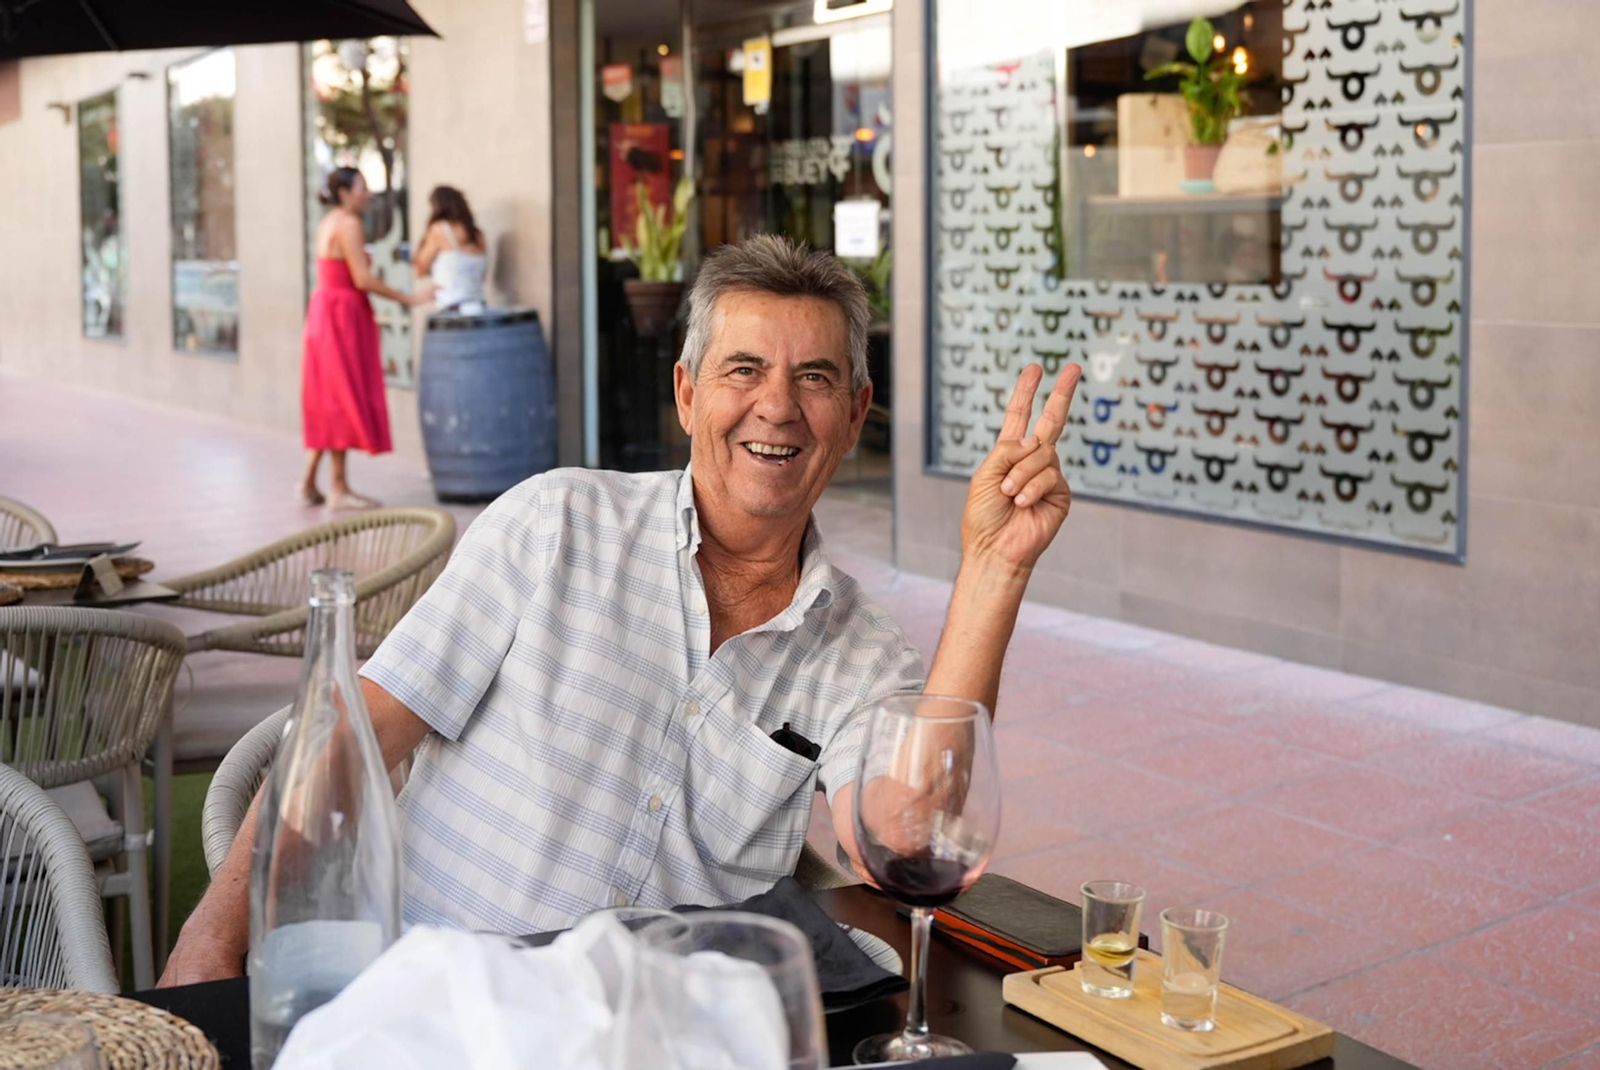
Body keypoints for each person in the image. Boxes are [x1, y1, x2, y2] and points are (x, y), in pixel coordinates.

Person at [160, 235, 1080, 985]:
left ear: (854, 412)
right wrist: (212, 936)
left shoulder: (860, 653)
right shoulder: (554, 521)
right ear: (687, 394)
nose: (777, 407)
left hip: (663, 1033)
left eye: (815, 378)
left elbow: (908, 843)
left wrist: (992, 571)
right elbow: (351, 738)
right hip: (438, 996)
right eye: (744, 369)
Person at [299, 167, 433, 510]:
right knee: (340, 396)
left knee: (329, 396)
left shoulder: (329, 221)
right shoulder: (350, 224)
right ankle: (338, 488)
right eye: (362, 188)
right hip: (343, 317)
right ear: (345, 193)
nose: (369, 194)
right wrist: (409, 298)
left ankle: (311, 481)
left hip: (325, 312)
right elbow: (362, 278)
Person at [413, 185, 488, 313]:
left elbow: (420, 269)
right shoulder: (478, 235)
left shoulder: (439, 230)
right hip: (479, 306)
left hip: (452, 309)